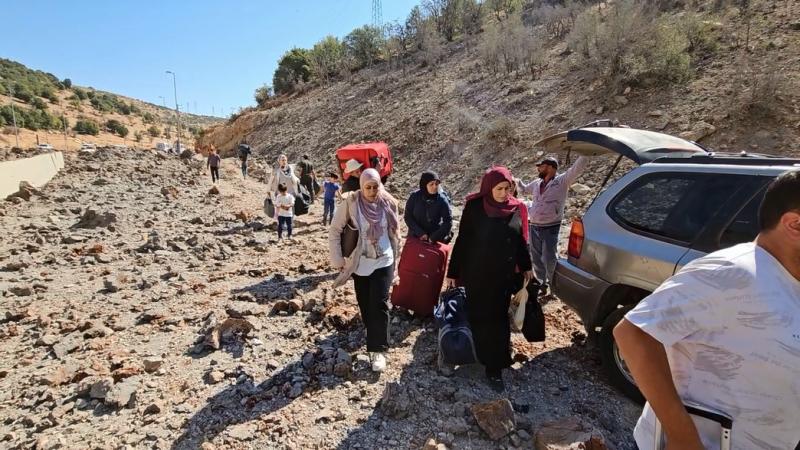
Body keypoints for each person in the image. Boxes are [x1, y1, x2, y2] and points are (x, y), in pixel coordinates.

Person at [614, 170, 800, 450]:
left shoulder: (789, 279)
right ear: (794, 224)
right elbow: (633, 333)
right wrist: (684, 439)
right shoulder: (733, 272)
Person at [445, 167, 534, 391]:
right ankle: (476, 354)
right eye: (500, 189)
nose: (505, 193)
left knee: (499, 320)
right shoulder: (475, 207)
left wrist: (526, 266)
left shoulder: (514, 208)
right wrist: (453, 272)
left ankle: (495, 365)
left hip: (502, 276)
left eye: (507, 188)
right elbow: (463, 240)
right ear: (488, 188)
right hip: (477, 274)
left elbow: (519, 241)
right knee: (478, 315)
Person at [329, 168, 400, 373]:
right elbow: (335, 229)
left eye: (375, 186)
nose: (371, 191)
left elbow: (395, 233)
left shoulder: (388, 202)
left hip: (383, 259)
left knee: (379, 303)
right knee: (365, 304)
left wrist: (397, 261)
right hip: (360, 262)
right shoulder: (351, 203)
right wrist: (338, 259)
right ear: (361, 186)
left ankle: (377, 350)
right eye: (367, 187)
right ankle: (373, 330)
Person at [518, 155, 588, 295]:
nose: (538, 168)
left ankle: (554, 286)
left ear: (550, 167)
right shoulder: (537, 183)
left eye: (541, 166)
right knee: (536, 257)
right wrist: (517, 182)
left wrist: (585, 153)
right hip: (534, 226)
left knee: (550, 258)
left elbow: (576, 169)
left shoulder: (561, 181)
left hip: (551, 227)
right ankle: (542, 284)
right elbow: (525, 189)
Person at [404, 171, 453, 244]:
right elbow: (408, 216)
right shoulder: (415, 197)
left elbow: (448, 221)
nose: (435, 187)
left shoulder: (442, 200)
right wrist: (420, 233)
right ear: (424, 185)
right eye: (431, 184)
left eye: (436, 184)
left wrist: (434, 237)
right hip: (415, 236)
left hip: (434, 239)